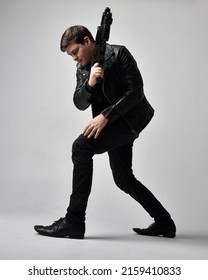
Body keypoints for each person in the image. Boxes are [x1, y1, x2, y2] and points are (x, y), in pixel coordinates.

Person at [34, 25, 176, 239]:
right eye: (70, 55)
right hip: (113, 124)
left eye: (75, 51)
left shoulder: (119, 54)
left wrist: (106, 115)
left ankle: (73, 221)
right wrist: (90, 83)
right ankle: (165, 223)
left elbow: (136, 91)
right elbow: (79, 103)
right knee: (124, 179)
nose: (74, 58)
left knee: (81, 147)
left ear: (87, 41)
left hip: (130, 120)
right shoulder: (83, 68)